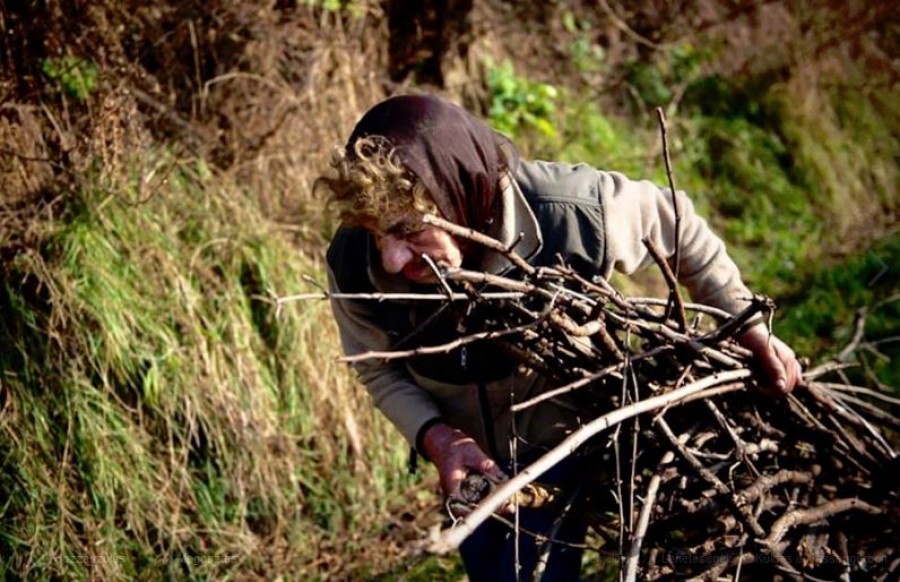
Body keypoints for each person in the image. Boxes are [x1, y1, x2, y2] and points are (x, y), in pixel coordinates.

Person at [318, 94, 802, 581]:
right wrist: (439, 439)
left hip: (597, 435)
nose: (392, 260)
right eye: (380, 235)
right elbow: (377, 369)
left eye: (407, 230)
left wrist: (746, 325)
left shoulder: (573, 213)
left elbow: (675, 223)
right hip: (482, 469)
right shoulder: (354, 263)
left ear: (457, 194)